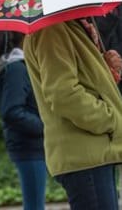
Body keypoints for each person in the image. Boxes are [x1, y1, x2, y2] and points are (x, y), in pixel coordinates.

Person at [23, 18, 122, 210]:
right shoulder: (51, 29)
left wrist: (105, 69)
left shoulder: (69, 26)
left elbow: (82, 83)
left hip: (93, 152)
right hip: (85, 154)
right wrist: (110, 118)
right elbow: (63, 94)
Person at [0, 31, 46, 210]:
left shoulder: (15, 65)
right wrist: (45, 127)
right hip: (29, 146)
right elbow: (12, 111)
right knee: (35, 205)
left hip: (30, 145)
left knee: (35, 203)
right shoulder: (15, 68)